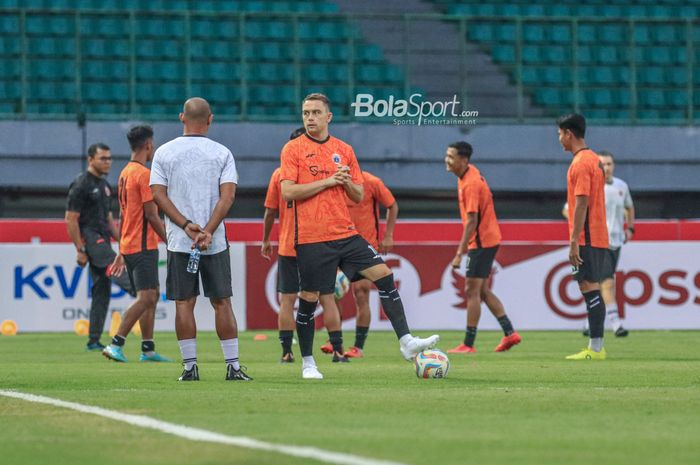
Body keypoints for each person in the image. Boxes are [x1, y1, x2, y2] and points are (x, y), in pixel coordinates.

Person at [279, 92, 439, 379]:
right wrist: (328, 181)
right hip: (312, 237)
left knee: (384, 275)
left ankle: (406, 341)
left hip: (346, 232)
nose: (310, 118)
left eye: (316, 113)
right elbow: (288, 191)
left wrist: (344, 182)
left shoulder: (344, 150)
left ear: (328, 117)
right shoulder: (293, 149)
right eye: (306, 113)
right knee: (309, 299)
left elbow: (358, 193)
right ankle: (307, 363)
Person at [150, 97, 252, 381]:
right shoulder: (222, 153)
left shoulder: (164, 153)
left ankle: (189, 367)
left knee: (184, 303)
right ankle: (232, 367)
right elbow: (228, 196)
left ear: (182, 117)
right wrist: (208, 229)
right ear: (210, 119)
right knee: (222, 302)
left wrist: (186, 226)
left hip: (180, 241)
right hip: (214, 240)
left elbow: (158, 195)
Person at [261, 127, 349, 363]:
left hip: (289, 245)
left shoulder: (279, 174)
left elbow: (270, 211)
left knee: (287, 300)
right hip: (318, 244)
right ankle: (339, 351)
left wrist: (266, 239)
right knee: (327, 297)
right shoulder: (321, 172)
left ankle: (287, 352)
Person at [102, 125, 172, 363]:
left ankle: (148, 349)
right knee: (146, 297)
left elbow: (123, 214)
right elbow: (152, 215)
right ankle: (115, 343)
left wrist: (121, 248)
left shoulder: (124, 173)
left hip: (131, 245)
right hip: (143, 246)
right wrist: (170, 241)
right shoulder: (144, 175)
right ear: (148, 145)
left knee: (152, 296)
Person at [443, 141, 521, 354]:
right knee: (482, 291)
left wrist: (460, 253)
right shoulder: (468, 175)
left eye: (451, 157)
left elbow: (471, 221)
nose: (446, 160)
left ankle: (468, 344)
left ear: (463, 160)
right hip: (487, 240)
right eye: (447, 155)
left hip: (482, 242)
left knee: (471, 290)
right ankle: (510, 333)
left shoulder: (470, 184)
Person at [65, 143, 134, 351]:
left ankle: (93, 340)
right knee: (123, 274)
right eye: (103, 158)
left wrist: (123, 240)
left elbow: (109, 219)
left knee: (101, 291)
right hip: (91, 238)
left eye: (109, 158)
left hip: (103, 236)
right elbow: (71, 219)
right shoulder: (81, 184)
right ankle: (142, 295)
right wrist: (80, 249)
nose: (108, 162)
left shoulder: (104, 185)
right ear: (90, 160)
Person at [323, 170, 399, 358]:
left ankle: (358, 346)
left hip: (365, 247)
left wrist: (388, 235)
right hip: (339, 243)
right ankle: (335, 341)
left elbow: (392, 205)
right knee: (334, 294)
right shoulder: (333, 180)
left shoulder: (372, 182)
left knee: (361, 293)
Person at [562, 150, 635, 338]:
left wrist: (630, 228)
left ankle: (589, 323)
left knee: (598, 284)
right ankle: (616, 324)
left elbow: (629, 207)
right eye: (603, 164)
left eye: (610, 164)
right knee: (607, 283)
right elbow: (568, 210)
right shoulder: (592, 185)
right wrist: (583, 227)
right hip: (597, 241)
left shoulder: (621, 186)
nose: (607, 168)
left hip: (616, 241)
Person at [558, 113, 610, 360]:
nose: (559, 140)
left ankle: (596, 348)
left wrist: (573, 241)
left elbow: (581, 203)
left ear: (569, 133)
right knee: (592, 289)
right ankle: (596, 346)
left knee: (589, 289)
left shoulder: (579, 163)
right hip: (598, 234)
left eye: (560, 134)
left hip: (586, 238)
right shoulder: (595, 160)